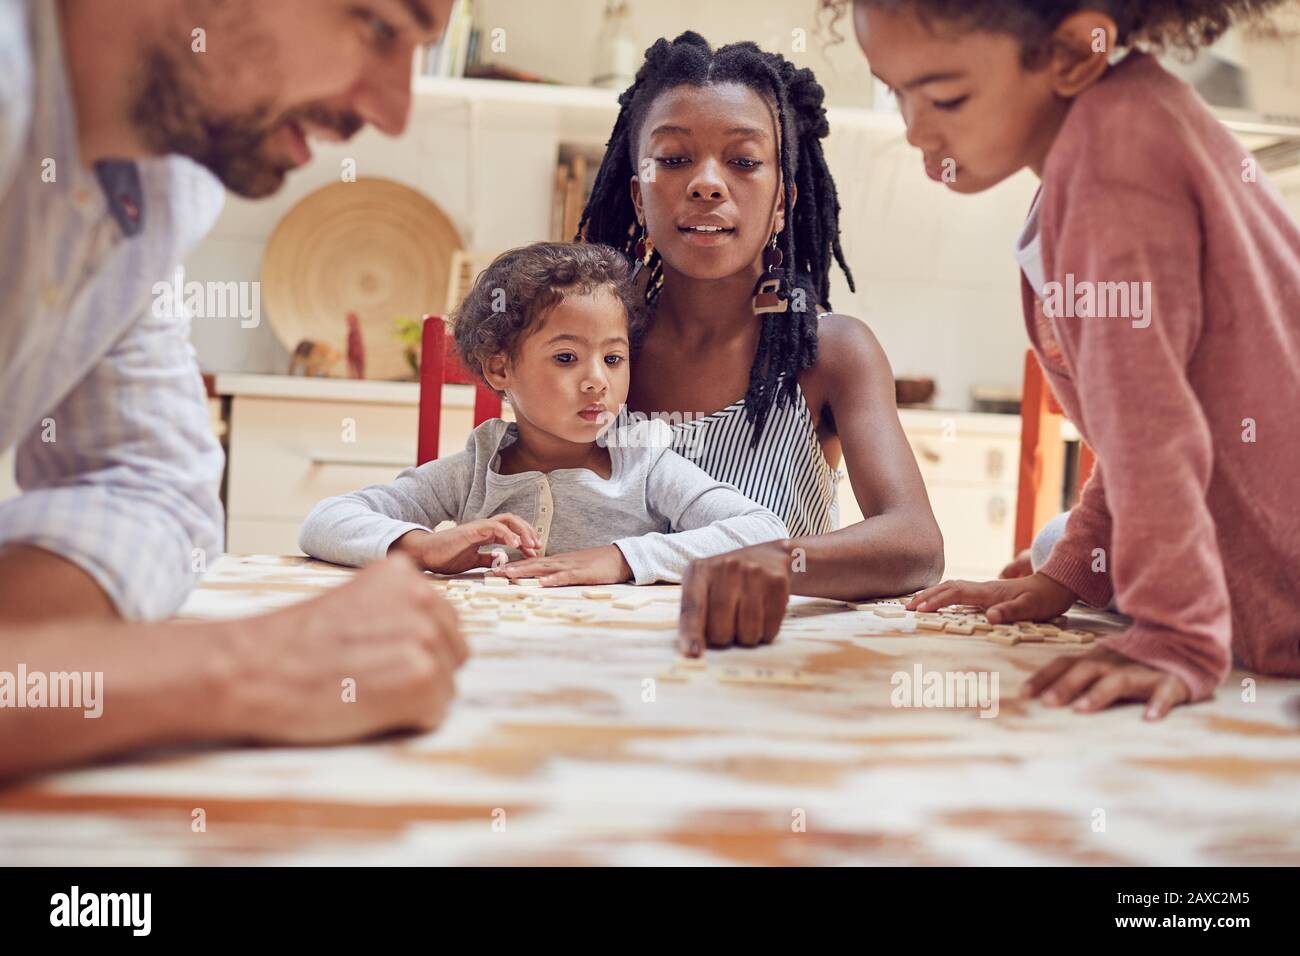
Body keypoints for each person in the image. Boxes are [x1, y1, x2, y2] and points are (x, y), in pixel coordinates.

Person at [1, 0, 467, 778]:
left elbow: (148, 490)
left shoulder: (153, 193)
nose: (392, 112)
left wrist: (38, 676)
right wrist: (247, 666)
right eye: (380, 24)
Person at [829, 0, 1300, 717]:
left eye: (946, 96)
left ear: (1075, 53)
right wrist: (1069, 573)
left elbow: (1151, 428)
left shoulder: (1114, 163)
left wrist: (1177, 635)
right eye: (897, 92)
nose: (915, 128)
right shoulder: (1111, 135)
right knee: (1058, 540)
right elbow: (1135, 428)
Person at [577, 33, 945, 656]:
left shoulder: (831, 353)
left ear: (783, 201)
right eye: (672, 160)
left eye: (744, 162)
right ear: (638, 197)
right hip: (598, 664)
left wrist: (777, 560)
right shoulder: (592, 350)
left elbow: (915, 544)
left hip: (765, 674)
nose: (707, 184)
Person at [300, 242, 790, 583]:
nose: (598, 379)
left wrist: (623, 559)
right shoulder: (477, 469)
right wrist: (422, 547)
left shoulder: (645, 463)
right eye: (565, 358)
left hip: (620, 665)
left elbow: (763, 532)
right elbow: (325, 520)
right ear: (500, 369)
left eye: (613, 358)